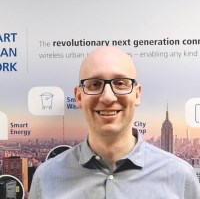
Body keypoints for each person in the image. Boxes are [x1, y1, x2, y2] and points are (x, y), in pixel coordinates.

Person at [29, 47, 200, 199]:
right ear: (79, 96)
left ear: (137, 94)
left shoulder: (180, 177)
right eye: (95, 84)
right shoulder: (46, 178)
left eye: (120, 83)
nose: (108, 97)